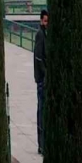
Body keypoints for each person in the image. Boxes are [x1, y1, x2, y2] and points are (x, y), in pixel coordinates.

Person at [32, 9, 48, 155]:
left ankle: (44, 143)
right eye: (45, 21)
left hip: (45, 79)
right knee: (41, 111)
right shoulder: (40, 35)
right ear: (41, 20)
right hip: (42, 80)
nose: (46, 23)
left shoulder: (45, 34)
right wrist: (44, 74)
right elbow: (38, 57)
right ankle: (41, 144)